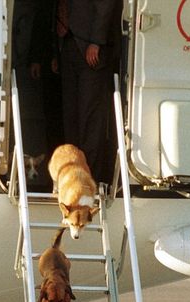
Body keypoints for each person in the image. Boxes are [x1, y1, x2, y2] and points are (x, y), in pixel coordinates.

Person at [56, 0, 123, 182]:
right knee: (71, 116)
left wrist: (96, 41)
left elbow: (105, 6)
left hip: (91, 48)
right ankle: (73, 174)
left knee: (90, 118)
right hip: (68, 43)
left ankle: (91, 177)